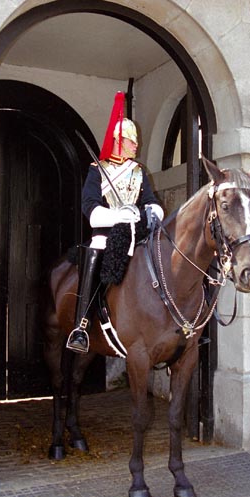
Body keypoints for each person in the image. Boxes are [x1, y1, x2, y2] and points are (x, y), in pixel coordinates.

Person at [66, 91, 164, 354]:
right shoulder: (97, 169)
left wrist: (151, 213)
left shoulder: (139, 172)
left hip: (135, 233)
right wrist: (116, 215)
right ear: (119, 141)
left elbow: (151, 200)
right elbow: (90, 205)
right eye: (132, 142)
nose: (136, 146)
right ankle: (82, 326)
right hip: (106, 234)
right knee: (96, 253)